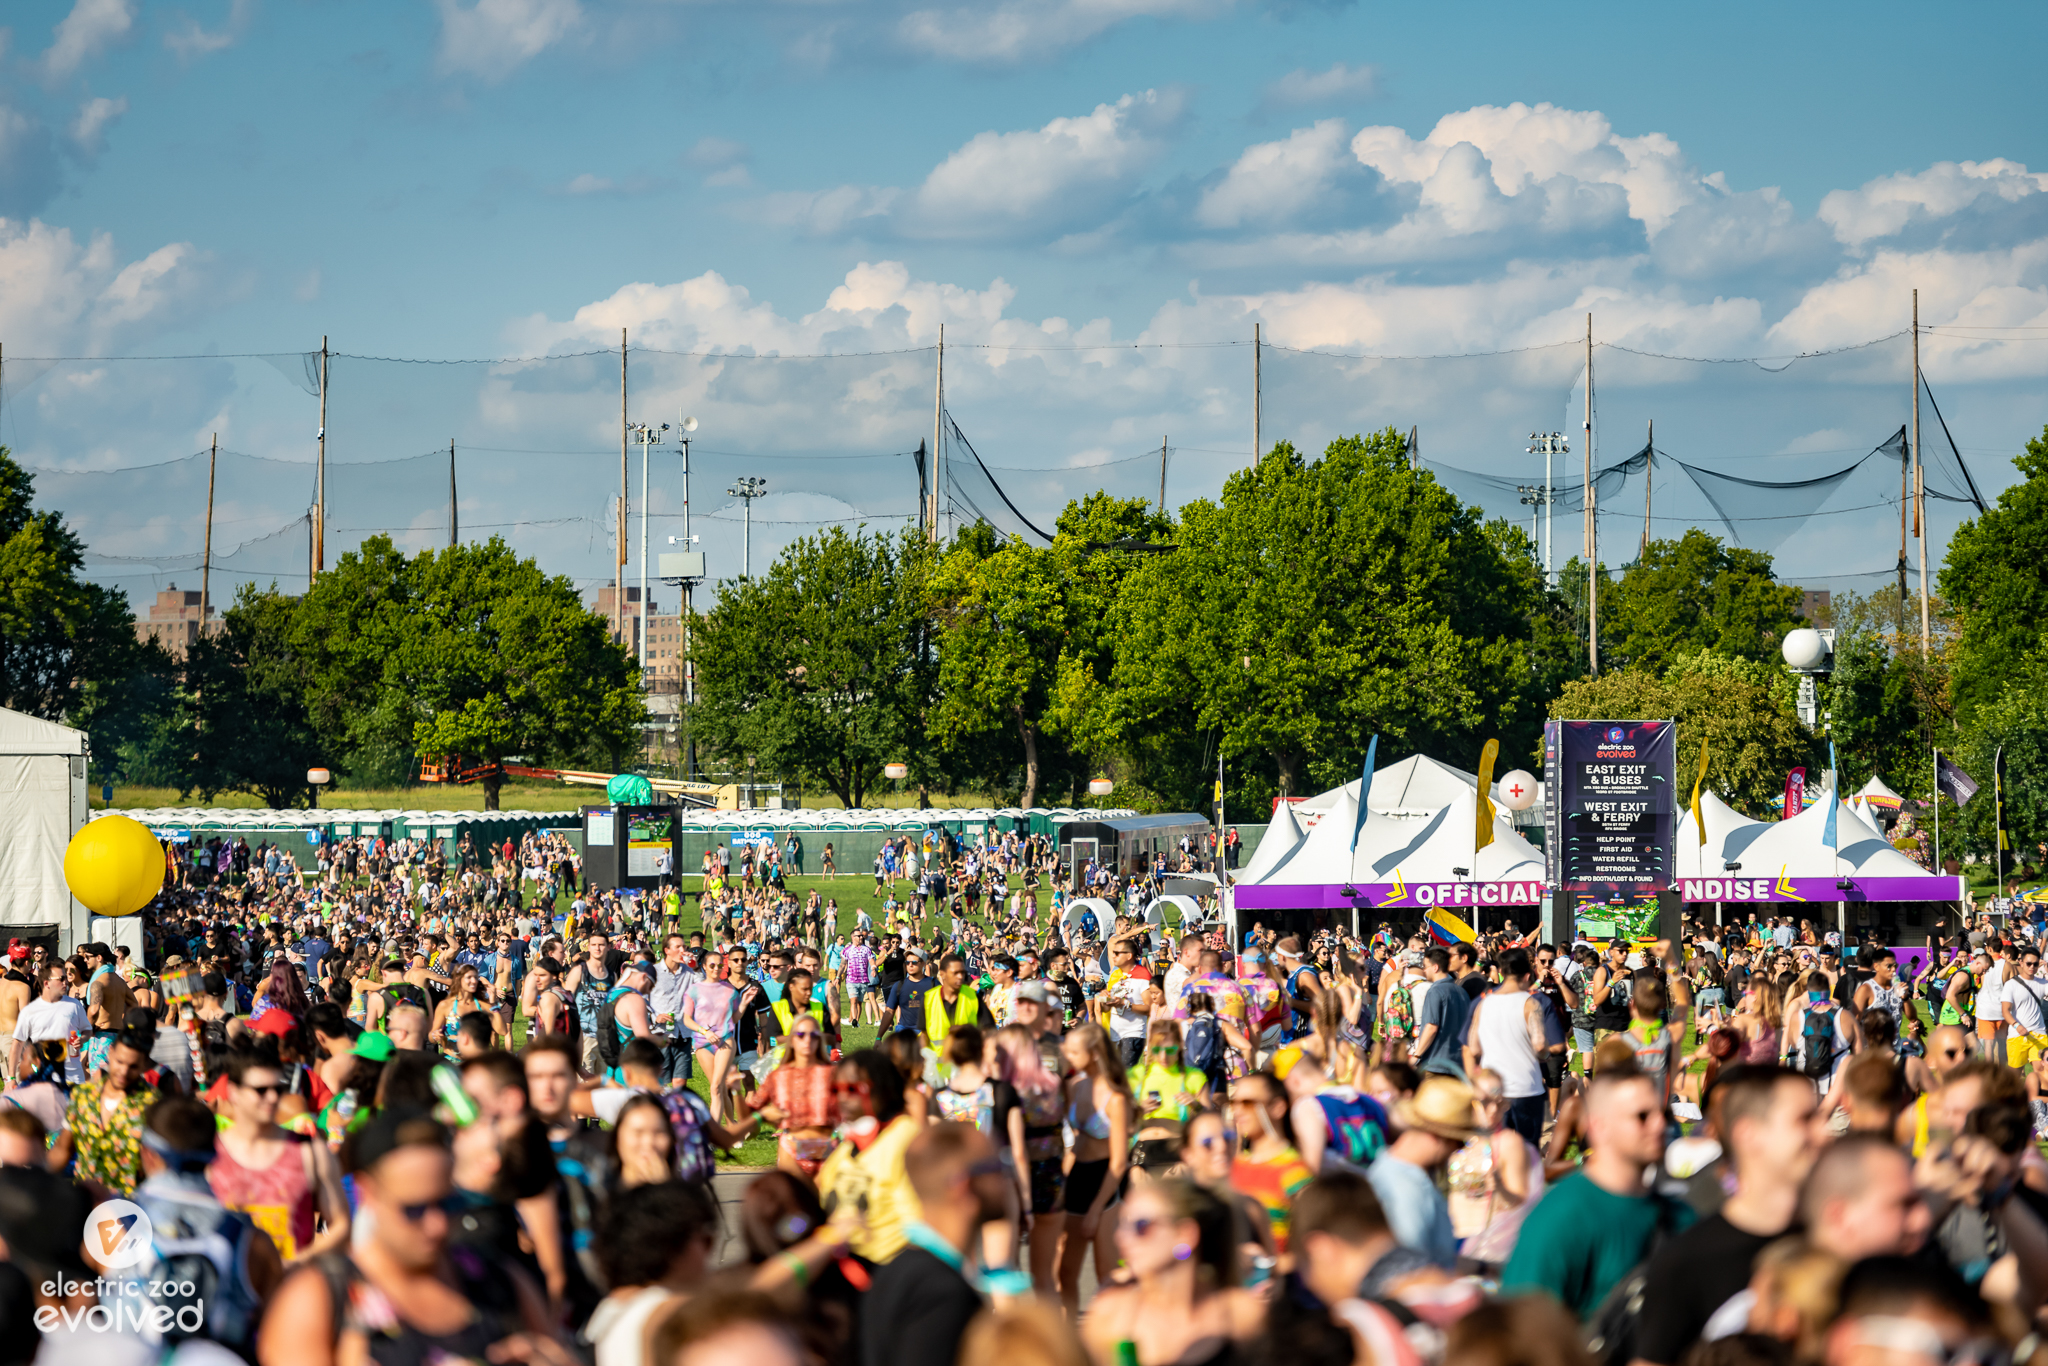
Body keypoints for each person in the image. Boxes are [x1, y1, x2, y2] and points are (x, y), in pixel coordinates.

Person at [255, 1109, 574, 1366]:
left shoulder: (500, 1283)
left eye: (448, 1203)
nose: (437, 1225)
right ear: (368, 1194)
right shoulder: (318, 1300)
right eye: (414, 1210)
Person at [1632, 1066, 1819, 1366]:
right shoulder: (1685, 1262)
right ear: (1749, 1134)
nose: (1823, 1133)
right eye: (1805, 1120)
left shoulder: (1831, 1242)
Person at [1500, 1065, 1694, 1318]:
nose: (1660, 1126)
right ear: (1599, 1127)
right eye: (1642, 1116)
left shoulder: (1680, 1216)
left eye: (1664, 1114)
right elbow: (1519, 1324)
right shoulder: (1557, 1219)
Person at [857, 1121, 1012, 1366]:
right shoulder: (943, 1292)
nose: (1007, 1180)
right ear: (964, 1186)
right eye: (997, 1168)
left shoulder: (893, 1269)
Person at [1079, 1178, 1264, 1366]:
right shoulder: (1110, 1315)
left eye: (1141, 1226)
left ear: (1185, 1234)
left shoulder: (1241, 1316)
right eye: (1121, 1225)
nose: (1120, 1237)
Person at [209, 1041, 352, 1260]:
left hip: (292, 1278)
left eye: (278, 1089)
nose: (273, 1097)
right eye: (261, 1090)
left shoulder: (310, 1151)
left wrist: (298, 1263)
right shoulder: (210, 1154)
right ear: (233, 1092)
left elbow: (341, 1224)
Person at [586, 1181, 719, 1366]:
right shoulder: (669, 1315)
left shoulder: (610, 1310)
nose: (709, 1252)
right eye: (706, 1240)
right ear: (672, 1244)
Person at [816, 1048, 922, 1265]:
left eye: (852, 1089)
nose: (842, 1098)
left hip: (890, 1267)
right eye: (835, 1090)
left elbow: (917, 1224)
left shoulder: (906, 1138)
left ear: (882, 1089)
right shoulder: (848, 1146)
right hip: (846, 1264)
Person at [1058, 1021, 1133, 1313]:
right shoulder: (1076, 1087)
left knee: (1107, 1274)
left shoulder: (1116, 1097)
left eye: (1074, 1051)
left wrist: (1096, 1209)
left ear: (1094, 1053)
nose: (1068, 1055)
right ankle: (1068, 1334)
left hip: (1106, 1180)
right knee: (1065, 1271)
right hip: (1077, 1175)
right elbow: (1075, 1142)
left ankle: (1116, 1334)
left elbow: (1119, 1161)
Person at [1367, 1073, 1476, 1270]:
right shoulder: (1406, 1191)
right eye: (1459, 1143)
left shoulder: (1392, 1168)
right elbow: (1409, 1270)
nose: (1456, 1152)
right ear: (1438, 1137)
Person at [1448, 1066, 1545, 1275]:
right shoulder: (1455, 1138)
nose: (1493, 1110)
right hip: (1450, 1240)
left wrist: (1500, 1186)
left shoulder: (1508, 1143)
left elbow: (1519, 1201)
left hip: (1485, 1247)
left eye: (1499, 1103)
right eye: (1484, 1102)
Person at [51, 1025, 155, 1196]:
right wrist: (38, 1179)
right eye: (120, 1062)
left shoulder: (151, 1103)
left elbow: (158, 1163)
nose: (124, 1072)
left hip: (129, 1203)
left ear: (144, 1066)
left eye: (133, 1067)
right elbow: (63, 1149)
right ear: (110, 1053)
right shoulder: (83, 1096)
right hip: (86, 1200)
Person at [1463, 947, 1548, 1143]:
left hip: (1493, 1089)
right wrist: (1545, 1056)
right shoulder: (1531, 1004)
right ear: (1527, 975)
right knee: (1528, 1149)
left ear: (1501, 972)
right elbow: (1539, 1045)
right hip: (1525, 1087)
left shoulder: (1483, 1004)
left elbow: (1473, 1048)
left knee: (1494, 1146)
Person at [1229, 1070, 1315, 1255]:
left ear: (1277, 1107)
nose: (1237, 1111)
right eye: (1234, 1103)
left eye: (1248, 1103)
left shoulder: (1295, 1172)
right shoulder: (1233, 1166)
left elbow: (1310, 1246)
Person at [749, 1010, 838, 1180]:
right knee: (793, 1195)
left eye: (814, 1035)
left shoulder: (833, 1074)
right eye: (801, 1035)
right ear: (791, 1040)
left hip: (826, 1147)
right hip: (792, 1148)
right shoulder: (779, 1076)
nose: (808, 1040)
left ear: (820, 1039)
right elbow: (752, 1109)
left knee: (825, 1195)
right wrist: (736, 1092)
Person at [1410, 947, 1472, 1079]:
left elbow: (1431, 1027)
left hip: (1436, 1063)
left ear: (1435, 967)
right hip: (1459, 1064)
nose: (1423, 970)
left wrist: (1416, 1056)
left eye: (1425, 966)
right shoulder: (1462, 992)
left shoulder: (1435, 991)